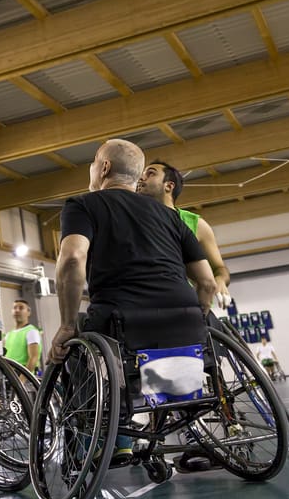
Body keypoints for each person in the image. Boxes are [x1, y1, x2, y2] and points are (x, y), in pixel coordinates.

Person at [50, 139, 217, 462]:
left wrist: (67, 325)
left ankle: (93, 443)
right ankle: (184, 423)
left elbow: (72, 260)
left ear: (104, 167)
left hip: (121, 322)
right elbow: (207, 282)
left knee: (69, 350)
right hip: (184, 322)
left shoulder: (83, 205)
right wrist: (197, 317)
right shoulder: (172, 217)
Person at [137, 160, 231, 310]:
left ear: (169, 185)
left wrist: (220, 281)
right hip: (145, 304)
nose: (141, 178)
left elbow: (219, 268)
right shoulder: (133, 220)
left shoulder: (196, 224)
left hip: (188, 306)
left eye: (150, 173)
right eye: (141, 175)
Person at [3, 299, 42, 374]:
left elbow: (34, 357)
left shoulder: (31, 331)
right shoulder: (8, 334)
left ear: (28, 312)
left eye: (21, 308)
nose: (17, 310)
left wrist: (22, 380)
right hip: (10, 374)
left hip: (24, 375)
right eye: (15, 308)